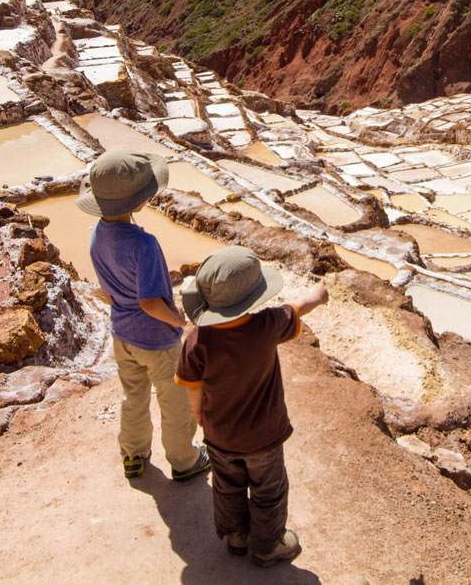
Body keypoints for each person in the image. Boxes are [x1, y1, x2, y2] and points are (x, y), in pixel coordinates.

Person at [176, 247, 328, 567]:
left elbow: (193, 386)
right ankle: (268, 545)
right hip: (264, 437)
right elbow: (298, 307)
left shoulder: (196, 339)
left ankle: (237, 535)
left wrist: (200, 414)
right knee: (269, 492)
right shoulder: (267, 325)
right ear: (252, 298)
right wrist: (319, 294)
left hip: (220, 434)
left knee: (227, 487)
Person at [76, 149, 209, 482]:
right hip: (157, 340)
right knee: (175, 401)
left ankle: (134, 455)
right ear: (138, 201)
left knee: (132, 397)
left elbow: (109, 289)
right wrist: (177, 319)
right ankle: (184, 460)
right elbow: (150, 303)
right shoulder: (144, 244)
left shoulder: (96, 235)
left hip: (121, 334)